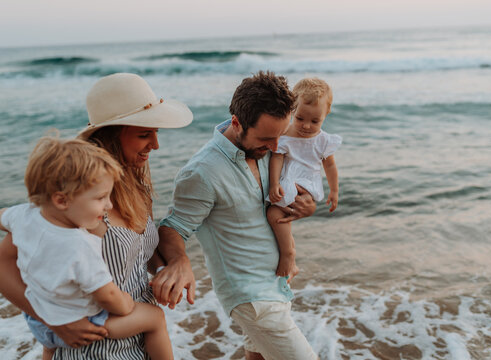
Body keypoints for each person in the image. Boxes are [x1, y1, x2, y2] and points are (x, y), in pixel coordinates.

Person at [0, 72, 193, 359]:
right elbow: (4, 261)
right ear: (111, 134)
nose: (156, 144)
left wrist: (178, 264)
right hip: (91, 348)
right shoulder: (77, 203)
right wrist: (51, 320)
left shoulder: (137, 188)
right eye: (144, 134)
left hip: (139, 343)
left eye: (156, 133)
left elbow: (138, 255)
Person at [154, 71, 319, 359]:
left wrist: (307, 206)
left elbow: (284, 199)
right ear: (236, 123)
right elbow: (172, 227)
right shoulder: (201, 172)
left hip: (276, 285)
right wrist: (180, 260)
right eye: (266, 139)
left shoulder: (270, 149)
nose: (276, 147)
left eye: (280, 135)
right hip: (250, 296)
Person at [0, 136, 173, 360]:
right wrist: (126, 303)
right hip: (83, 325)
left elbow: (3, 217)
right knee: (156, 318)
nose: (108, 204)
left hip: (40, 323)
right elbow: (108, 296)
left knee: (50, 348)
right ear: (62, 201)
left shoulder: (24, 215)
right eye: (101, 198)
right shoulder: (80, 245)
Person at [267, 77, 341, 277]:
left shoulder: (323, 140)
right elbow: (277, 159)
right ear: (292, 109)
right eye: (300, 118)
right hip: (288, 179)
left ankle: (288, 253)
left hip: (308, 183)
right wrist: (274, 184)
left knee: (274, 214)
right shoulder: (285, 134)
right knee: (276, 214)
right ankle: (289, 250)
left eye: (315, 121)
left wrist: (334, 191)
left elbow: (330, 165)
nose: (307, 126)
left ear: (327, 114)